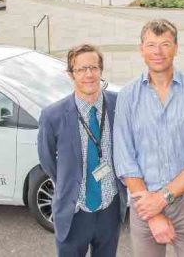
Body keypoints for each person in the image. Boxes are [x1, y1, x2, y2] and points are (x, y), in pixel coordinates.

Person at [114, 19, 184, 257]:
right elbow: (124, 158)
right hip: (143, 206)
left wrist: (162, 198)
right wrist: (152, 211)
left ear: (176, 47)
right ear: (141, 49)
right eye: (151, 45)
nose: (158, 52)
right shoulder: (128, 96)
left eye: (165, 44)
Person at [37, 44, 127, 257]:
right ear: (71, 74)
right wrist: (69, 183)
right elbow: (47, 159)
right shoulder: (53, 116)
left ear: (101, 70)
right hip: (74, 211)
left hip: (109, 208)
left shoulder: (119, 104)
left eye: (94, 68)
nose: (89, 74)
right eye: (81, 69)